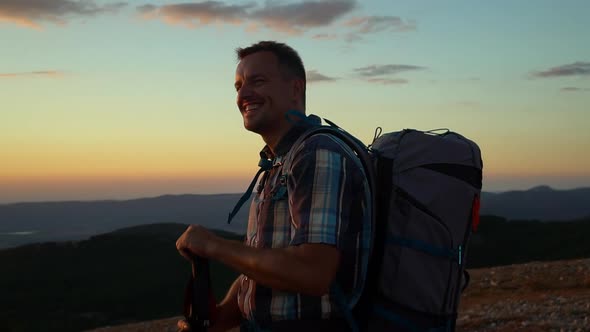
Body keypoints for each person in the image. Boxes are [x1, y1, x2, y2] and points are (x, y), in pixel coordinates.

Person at [176, 41, 372, 332]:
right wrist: (222, 317)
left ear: (295, 89)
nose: (243, 94)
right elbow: (260, 266)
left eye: (258, 81)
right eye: (238, 86)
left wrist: (213, 245)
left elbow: (312, 273)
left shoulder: (316, 153)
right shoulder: (276, 161)